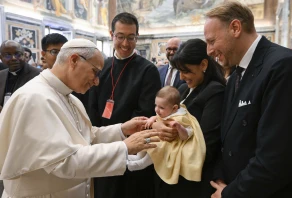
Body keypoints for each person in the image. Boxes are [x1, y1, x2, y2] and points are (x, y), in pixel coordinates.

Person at [0, 38, 161, 198]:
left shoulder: (68, 96)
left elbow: (84, 137)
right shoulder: (35, 98)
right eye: (95, 72)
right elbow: (63, 162)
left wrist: (121, 129)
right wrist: (125, 147)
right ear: (74, 60)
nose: (97, 81)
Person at [204, 2, 292, 198]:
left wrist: (230, 193)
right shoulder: (236, 73)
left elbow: (277, 158)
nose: (209, 51)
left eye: (211, 41)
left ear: (235, 28)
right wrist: (220, 180)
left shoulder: (285, 66)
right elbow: (227, 139)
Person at [87, 12, 162, 198]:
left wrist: (118, 135)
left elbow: (144, 113)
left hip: (132, 151)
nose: (126, 44)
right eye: (120, 37)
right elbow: (91, 105)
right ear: (111, 34)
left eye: (131, 37)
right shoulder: (102, 66)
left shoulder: (148, 70)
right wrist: (97, 137)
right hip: (102, 148)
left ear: (137, 37)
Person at [154, 38, 226, 197]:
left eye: (185, 71)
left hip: (190, 181)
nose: (181, 77)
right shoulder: (184, 88)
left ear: (204, 65)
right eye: (179, 71)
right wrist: (158, 126)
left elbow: (206, 144)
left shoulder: (215, 92)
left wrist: (175, 135)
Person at [129, 86, 206, 185]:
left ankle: (139, 164)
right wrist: (152, 119)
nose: (157, 110)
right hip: (157, 137)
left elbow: (187, 135)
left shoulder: (182, 118)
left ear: (174, 108)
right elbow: (157, 116)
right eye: (156, 105)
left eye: (161, 107)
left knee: (155, 150)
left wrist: (179, 127)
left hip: (168, 144)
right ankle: (136, 157)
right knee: (145, 141)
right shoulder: (166, 112)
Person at [0, 40, 41, 113]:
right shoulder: (1, 75)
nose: (13, 58)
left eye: (18, 54)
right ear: (1, 58)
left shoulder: (38, 75)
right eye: (7, 55)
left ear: (24, 56)